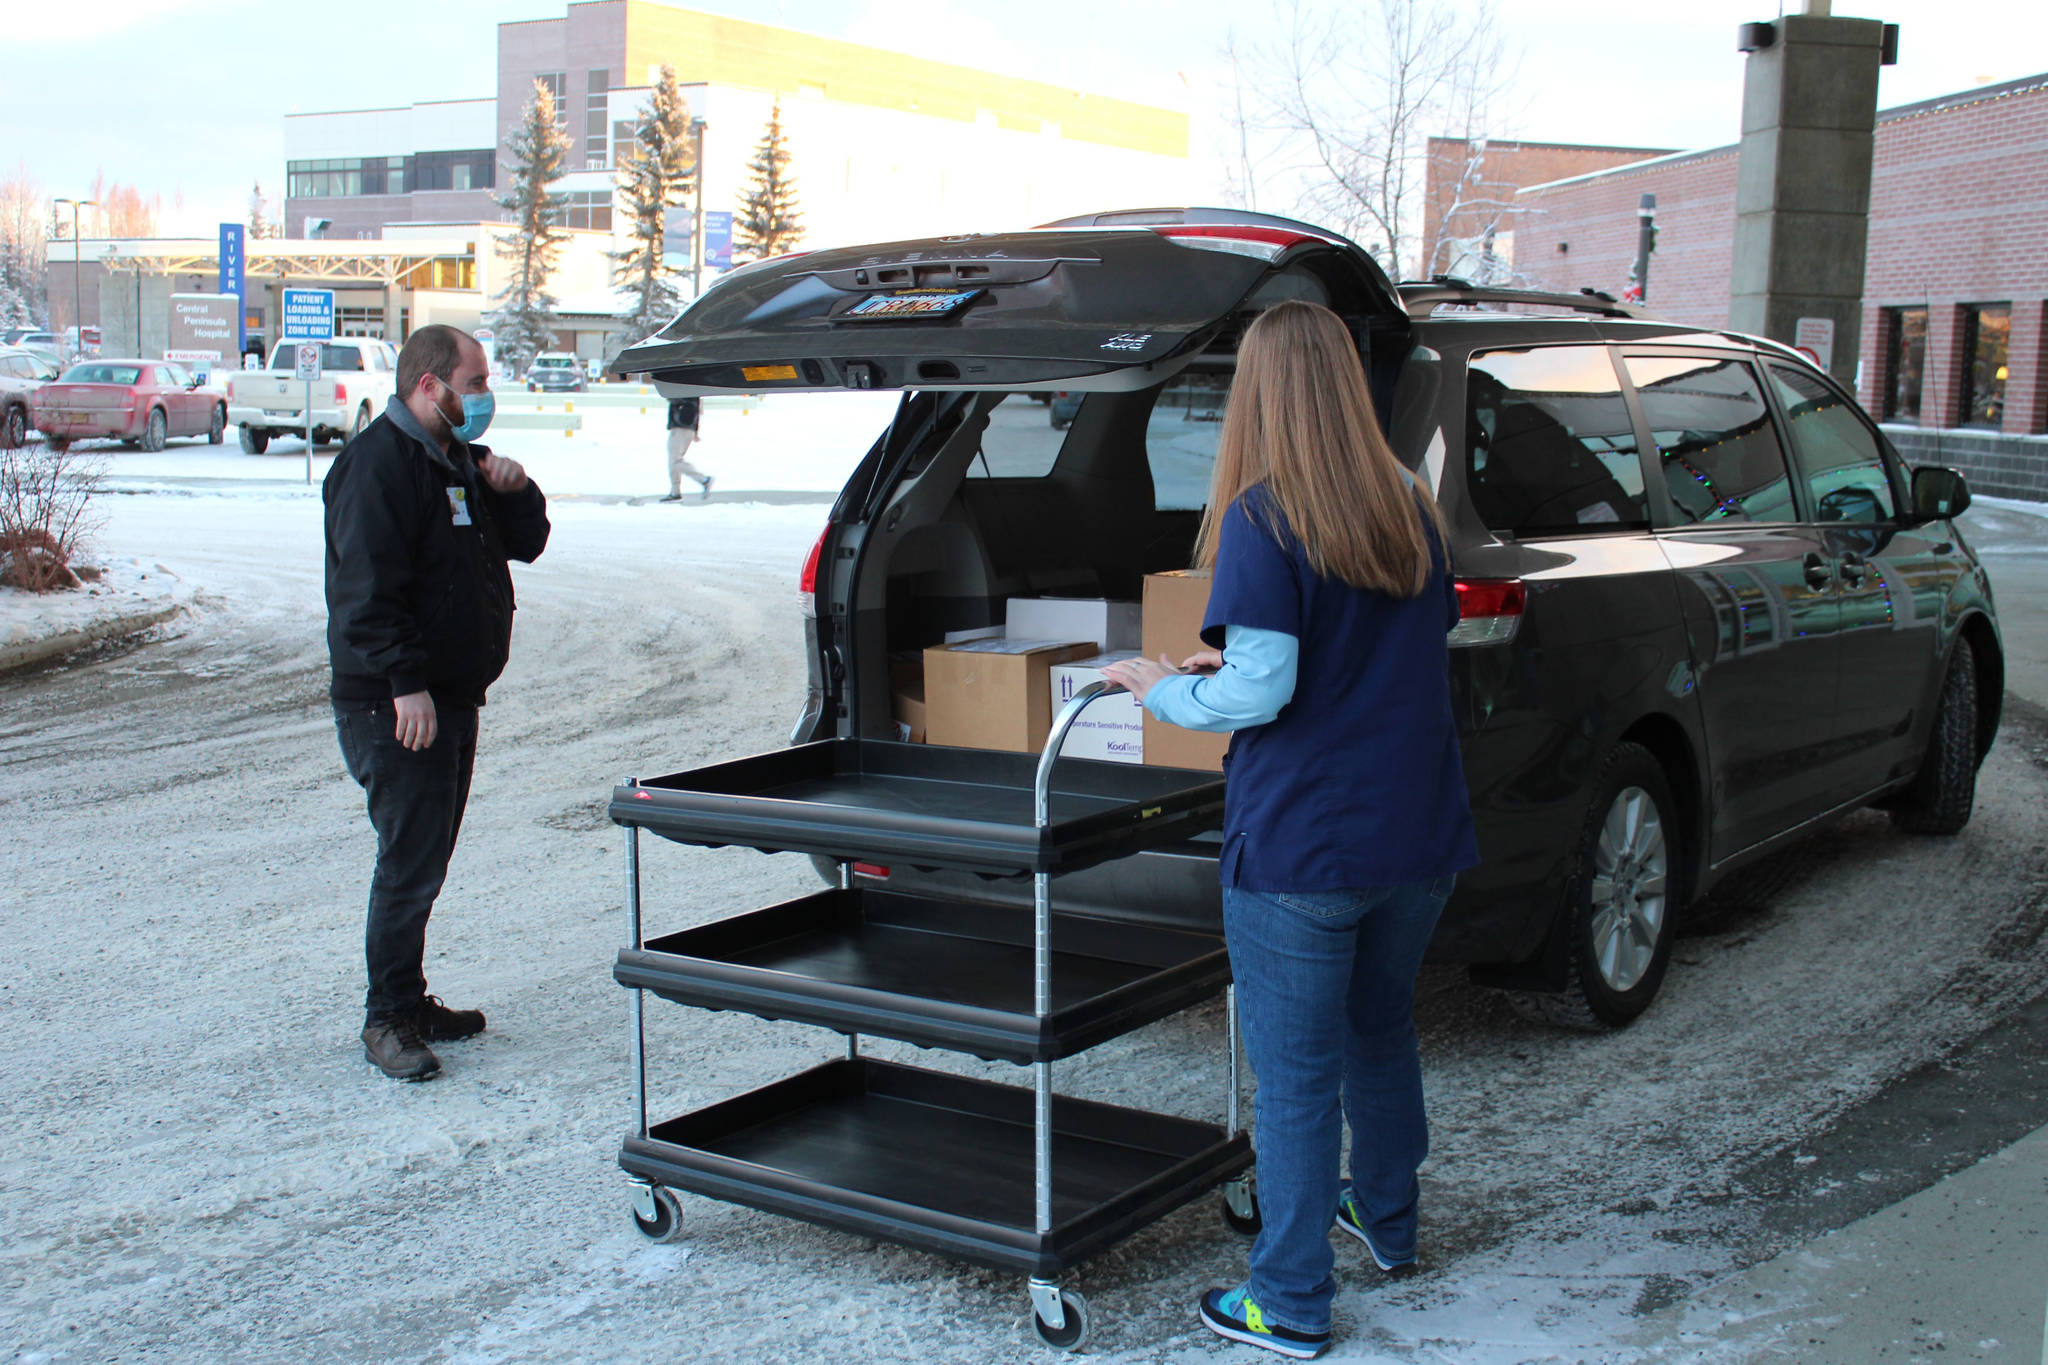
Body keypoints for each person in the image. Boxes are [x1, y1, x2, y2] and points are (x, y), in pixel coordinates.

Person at [1102, 300, 1477, 1359]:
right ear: (1348, 386)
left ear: (1255, 395)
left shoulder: (1265, 519)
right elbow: (1385, 648)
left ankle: (1288, 1300)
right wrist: (1246, 665)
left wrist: (1159, 691)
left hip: (1304, 843)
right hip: (1415, 832)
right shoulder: (1408, 504)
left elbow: (1262, 696)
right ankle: (1387, 1225)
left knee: (1297, 1077)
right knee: (1378, 1034)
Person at [324, 324, 551, 1082]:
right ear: (430, 386)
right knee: (408, 862)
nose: (485, 397)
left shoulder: (456, 462)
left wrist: (515, 494)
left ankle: (410, 999)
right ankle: (387, 1017)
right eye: (475, 382)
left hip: (448, 696)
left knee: (427, 858)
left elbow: (525, 544)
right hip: (396, 705)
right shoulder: (377, 468)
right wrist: (402, 682)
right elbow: (364, 595)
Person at [661, 395, 712, 501]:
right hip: (688, 428)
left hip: (680, 427)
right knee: (674, 461)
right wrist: (695, 430)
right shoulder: (694, 390)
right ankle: (675, 492)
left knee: (675, 461)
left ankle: (703, 480)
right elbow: (697, 410)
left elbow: (672, 398)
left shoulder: (683, 389)